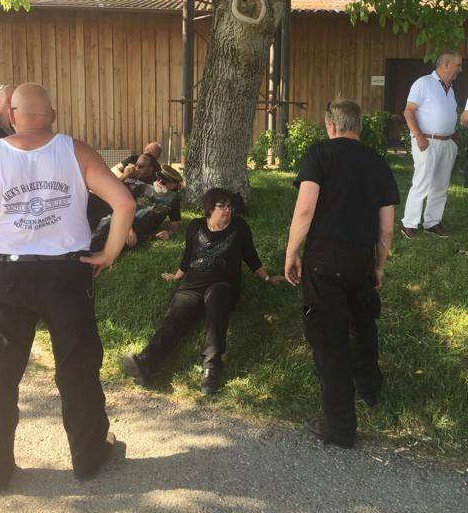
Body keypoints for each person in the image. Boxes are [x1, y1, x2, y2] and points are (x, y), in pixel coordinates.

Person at [0, 83, 136, 494]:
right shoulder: (75, 150)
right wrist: (109, 252)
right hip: (66, 275)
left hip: (4, 275)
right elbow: (125, 203)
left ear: (11, 116)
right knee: (77, 366)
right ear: (51, 115)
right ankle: (88, 457)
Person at [285, 99, 399, 449]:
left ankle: (340, 426)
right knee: (363, 323)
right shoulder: (379, 162)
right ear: (358, 127)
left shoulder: (320, 154)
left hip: (325, 257)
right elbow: (387, 229)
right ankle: (371, 389)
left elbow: (305, 209)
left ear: (331, 126)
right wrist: (378, 265)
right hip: (361, 256)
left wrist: (291, 252)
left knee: (329, 339)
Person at [123, 187, 284, 394]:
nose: (228, 210)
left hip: (223, 285)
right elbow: (187, 256)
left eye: (230, 206)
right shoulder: (195, 226)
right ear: (209, 208)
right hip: (192, 286)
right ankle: (147, 362)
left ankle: (211, 368)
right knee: (175, 317)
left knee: (216, 300)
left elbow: (251, 256)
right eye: (222, 206)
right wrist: (177, 276)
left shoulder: (239, 227)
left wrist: (267, 277)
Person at [400, 51, 462, 239]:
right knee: (422, 183)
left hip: (447, 143)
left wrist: (452, 136)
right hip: (426, 141)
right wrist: (419, 137)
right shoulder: (423, 83)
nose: (460, 69)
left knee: (441, 185)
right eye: (458, 65)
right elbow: (408, 111)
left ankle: (432, 222)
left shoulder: (450, 89)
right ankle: (409, 224)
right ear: (446, 64)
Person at [91, 163, 182, 251]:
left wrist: (169, 233)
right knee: (103, 230)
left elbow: (175, 223)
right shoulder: (143, 188)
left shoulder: (173, 199)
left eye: (164, 182)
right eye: (158, 178)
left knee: (116, 244)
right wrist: (128, 228)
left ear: (173, 185)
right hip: (121, 222)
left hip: (139, 234)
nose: (159, 182)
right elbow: (124, 207)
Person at [87, 152, 159, 228]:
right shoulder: (130, 174)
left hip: (119, 206)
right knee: (87, 195)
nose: (136, 168)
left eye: (141, 166)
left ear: (150, 169)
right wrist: (125, 175)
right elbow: (111, 186)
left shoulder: (153, 182)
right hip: (109, 198)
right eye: (135, 165)